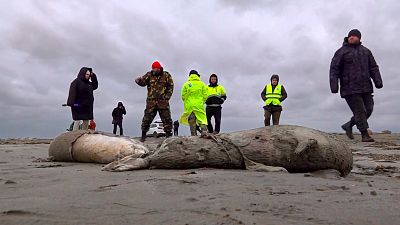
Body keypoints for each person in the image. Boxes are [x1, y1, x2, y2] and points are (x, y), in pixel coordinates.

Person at [330, 29, 383, 142]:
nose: (351, 37)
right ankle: (364, 135)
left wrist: (378, 81)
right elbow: (334, 69)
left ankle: (348, 125)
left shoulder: (366, 51)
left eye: (354, 36)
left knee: (368, 109)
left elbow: (373, 67)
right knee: (360, 111)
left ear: (359, 38)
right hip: (349, 88)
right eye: (350, 36)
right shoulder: (341, 52)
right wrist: (334, 86)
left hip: (366, 87)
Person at [135, 61, 174, 142]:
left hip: (163, 102)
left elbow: (171, 86)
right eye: (153, 68)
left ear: (159, 68)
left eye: (155, 68)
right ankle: (143, 136)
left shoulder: (166, 75)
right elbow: (143, 82)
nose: (154, 70)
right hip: (151, 102)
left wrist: (167, 97)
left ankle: (168, 136)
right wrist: (138, 81)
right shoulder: (149, 75)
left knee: (167, 118)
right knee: (147, 118)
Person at [180, 70, 208, 136]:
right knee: (202, 119)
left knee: (192, 121)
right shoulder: (202, 84)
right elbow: (205, 95)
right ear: (197, 75)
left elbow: (183, 96)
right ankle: (204, 132)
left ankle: (193, 135)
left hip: (189, 106)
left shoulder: (186, 84)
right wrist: (201, 102)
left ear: (189, 75)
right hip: (199, 105)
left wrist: (187, 102)